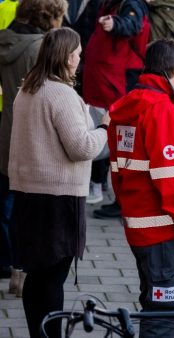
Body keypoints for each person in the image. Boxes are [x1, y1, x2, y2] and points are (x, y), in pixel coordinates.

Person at [9, 27, 108, 338]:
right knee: (52, 279)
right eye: (78, 54)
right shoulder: (62, 94)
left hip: (28, 195)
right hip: (58, 199)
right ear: (67, 58)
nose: (81, 59)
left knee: (36, 276)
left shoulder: (27, 89)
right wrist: (104, 127)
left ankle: (37, 333)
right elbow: (81, 147)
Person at [107, 39, 174, 337]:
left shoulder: (128, 104)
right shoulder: (161, 110)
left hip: (140, 226)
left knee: (152, 304)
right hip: (164, 230)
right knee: (164, 314)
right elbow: (170, 178)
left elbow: (118, 172)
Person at [0, 0, 68, 297]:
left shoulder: (5, 40)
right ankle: (24, 270)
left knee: (7, 204)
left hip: (6, 128)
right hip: (35, 133)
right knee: (32, 208)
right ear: (49, 15)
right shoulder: (42, 47)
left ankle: (12, 266)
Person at [82, 0, 151, 206]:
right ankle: (103, 185)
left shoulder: (129, 4)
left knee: (111, 133)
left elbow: (132, 25)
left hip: (114, 81)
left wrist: (115, 24)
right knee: (105, 130)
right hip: (102, 79)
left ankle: (112, 191)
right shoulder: (110, 3)